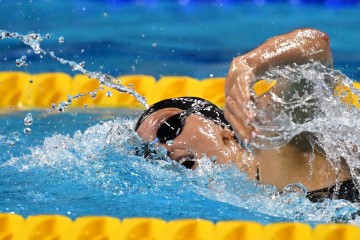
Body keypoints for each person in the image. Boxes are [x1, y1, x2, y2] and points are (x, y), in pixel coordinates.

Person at [135, 28, 359, 203]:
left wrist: (246, 65)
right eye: (151, 154)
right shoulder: (249, 196)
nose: (164, 149)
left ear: (220, 126)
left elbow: (315, 48)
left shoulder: (273, 136)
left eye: (168, 129)